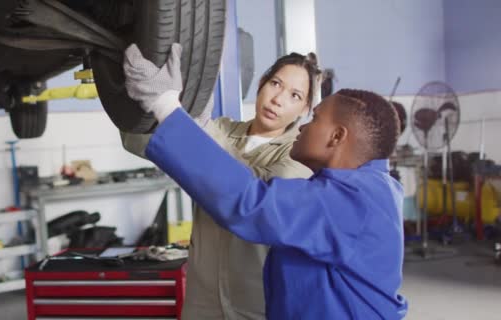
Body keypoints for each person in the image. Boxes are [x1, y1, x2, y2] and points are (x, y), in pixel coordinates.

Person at [122, 43, 408, 319]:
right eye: (275, 84)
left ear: (336, 136)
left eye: (313, 117)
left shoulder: (352, 201)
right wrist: (187, 126)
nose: (304, 126)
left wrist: (168, 108)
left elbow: (250, 202)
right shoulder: (359, 187)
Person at [120, 47, 320, 319]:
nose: (278, 99)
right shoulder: (222, 130)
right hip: (201, 300)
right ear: (261, 82)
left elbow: (248, 191)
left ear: (304, 109)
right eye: (275, 84)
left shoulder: (300, 156)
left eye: (294, 95)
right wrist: (130, 96)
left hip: (258, 304)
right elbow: (144, 143)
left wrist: (185, 127)